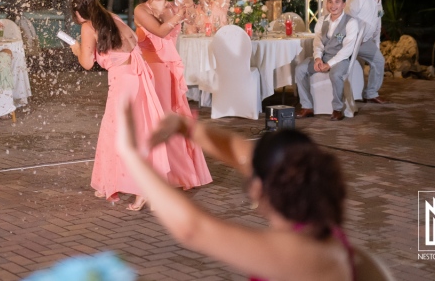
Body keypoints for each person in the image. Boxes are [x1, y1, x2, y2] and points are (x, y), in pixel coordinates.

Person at [116, 108, 354, 281]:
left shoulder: (302, 252)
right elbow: (239, 151)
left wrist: (132, 155)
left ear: (259, 188)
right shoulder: (320, 222)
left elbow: (193, 228)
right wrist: (185, 127)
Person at [69, 0, 170, 211]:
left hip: (123, 82)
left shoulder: (88, 26)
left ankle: (141, 190)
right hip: (136, 77)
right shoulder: (111, 17)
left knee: (121, 134)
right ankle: (112, 182)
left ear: (79, 11)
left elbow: (86, 64)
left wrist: (77, 49)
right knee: (134, 131)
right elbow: (133, 41)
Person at [133, 0, 212, 192]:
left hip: (170, 71)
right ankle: (160, 175)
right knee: (158, 122)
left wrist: (188, 5)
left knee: (173, 120)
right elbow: (158, 30)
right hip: (151, 70)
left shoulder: (174, 5)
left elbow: (195, 20)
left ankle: (181, 173)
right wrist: (179, 13)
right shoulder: (141, 10)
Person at [295, 0, 360, 121]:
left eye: (337, 2)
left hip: (340, 59)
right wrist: (318, 58)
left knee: (335, 74)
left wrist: (329, 64)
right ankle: (307, 107)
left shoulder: (351, 22)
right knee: (300, 69)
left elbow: (347, 49)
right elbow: (318, 41)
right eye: (330, 2)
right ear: (326, 4)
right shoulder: (322, 20)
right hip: (323, 56)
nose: (333, 5)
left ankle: (337, 109)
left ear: (343, 4)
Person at [346, 0, 391, 104]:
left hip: (365, 42)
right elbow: (347, 15)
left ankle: (371, 94)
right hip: (350, 39)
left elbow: (378, 27)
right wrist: (352, 36)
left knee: (378, 61)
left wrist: (376, 46)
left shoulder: (379, 4)